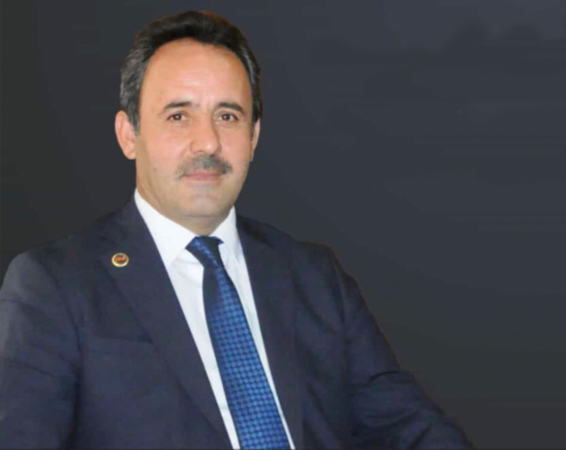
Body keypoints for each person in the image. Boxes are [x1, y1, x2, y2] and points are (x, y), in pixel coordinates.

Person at [0, 10, 472, 450]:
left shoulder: (314, 277)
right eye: (178, 116)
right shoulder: (56, 286)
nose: (207, 142)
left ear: (253, 137)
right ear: (129, 135)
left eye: (227, 116)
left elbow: (408, 426)